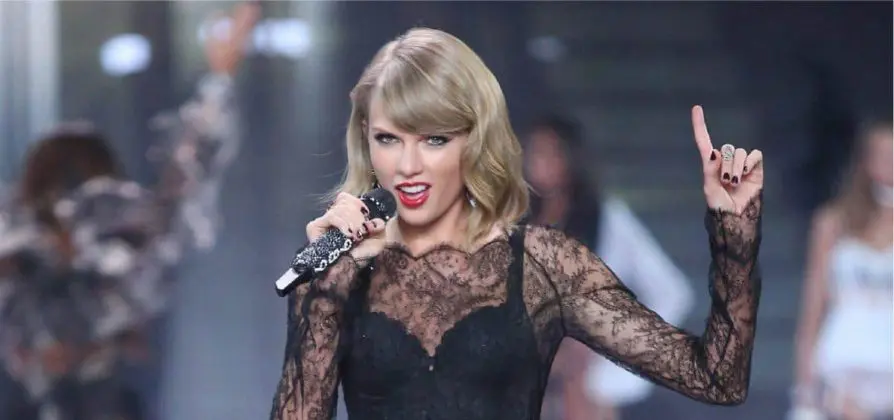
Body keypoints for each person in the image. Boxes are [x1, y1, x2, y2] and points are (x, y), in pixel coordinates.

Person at [270, 27, 764, 420]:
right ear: (366, 138)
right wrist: (326, 289)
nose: (408, 165)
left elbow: (716, 378)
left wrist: (734, 231)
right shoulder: (342, 270)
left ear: (475, 138)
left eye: (435, 139)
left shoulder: (542, 264)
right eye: (389, 139)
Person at [0, 4, 257, 419]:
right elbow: (184, 183)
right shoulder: (29, 259)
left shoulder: (118, 259)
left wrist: (220, 78)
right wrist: (220, 77)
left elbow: (183, 184)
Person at [525, 115, 694, 420]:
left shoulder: (606, 220)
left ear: (572, 157)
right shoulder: (515, 221)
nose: (540, 161)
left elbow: (672, 292)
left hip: (585, 381)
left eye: (551, 152)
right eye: (535, 151)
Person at [789, 118, 893, 420]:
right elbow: (814, 303)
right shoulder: (833, 221)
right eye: (883, 155)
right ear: (865, 161)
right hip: (845, 361)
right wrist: (804, 386)